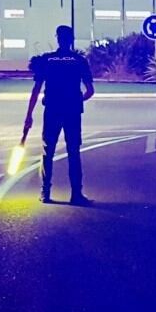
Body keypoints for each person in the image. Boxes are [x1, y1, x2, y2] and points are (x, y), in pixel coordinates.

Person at [25, 25, 95, 204]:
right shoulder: (79, 60)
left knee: (48, 151)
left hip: (52, 111)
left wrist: (29, 115)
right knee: (73, 151)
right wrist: (79, 99)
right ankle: (76, 195)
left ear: (58, 38)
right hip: (72, 111)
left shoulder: (48, 60)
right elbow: (90, 90)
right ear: (71, 39)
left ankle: (45, 193)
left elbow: (36, 89)